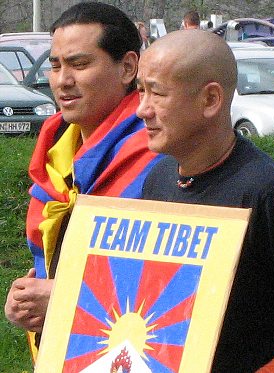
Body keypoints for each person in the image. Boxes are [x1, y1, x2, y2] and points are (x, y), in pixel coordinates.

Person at [4, 1, 162, 361]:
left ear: (127, 67)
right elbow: (44, 260)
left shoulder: (161, 154)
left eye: (79, 64)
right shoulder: (54, 147)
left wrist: (66, 295)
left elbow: (175, 287)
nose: (62, 80)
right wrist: (25, 301)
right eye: (55, 65)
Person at [136, 29, 274, 372]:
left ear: (210, 100)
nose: (142, 109)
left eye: (157, 93)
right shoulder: (158, 178)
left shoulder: (267, 191)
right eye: (140, 91)